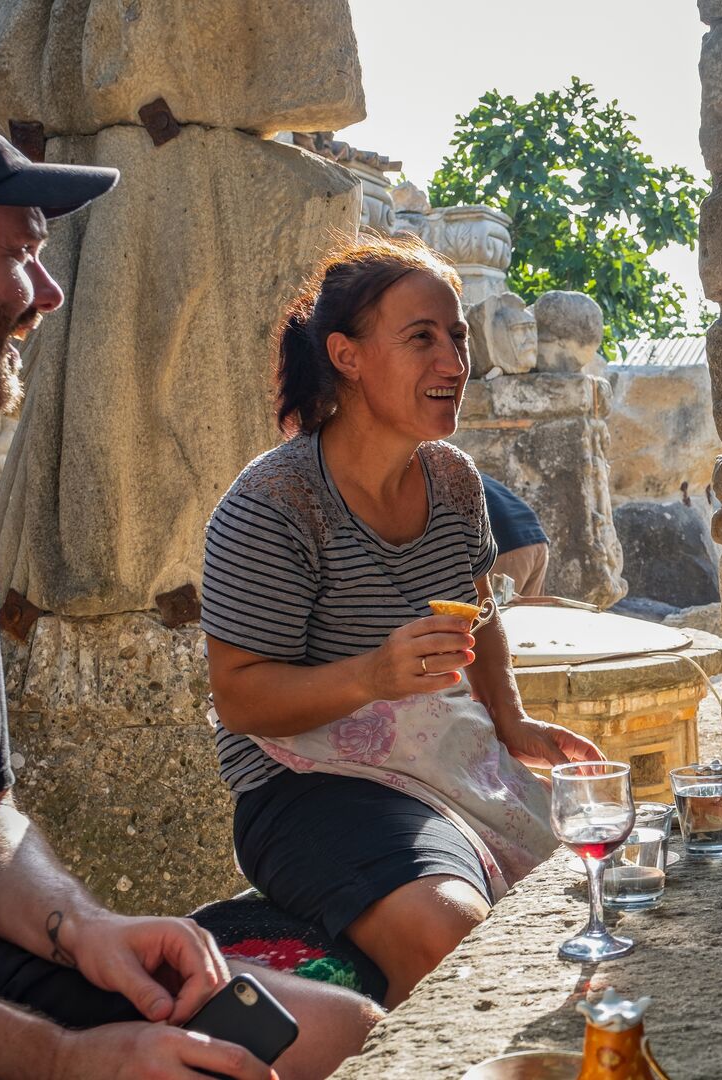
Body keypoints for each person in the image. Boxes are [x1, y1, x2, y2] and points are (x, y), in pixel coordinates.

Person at [0, 94, 377, 1080]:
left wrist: (84, 929)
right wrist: (60, 1058)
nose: (48, 292)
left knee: (341, 1034)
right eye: (20, 250)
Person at [201, 236, 604, 1008]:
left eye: (456, 336)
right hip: (305, 787)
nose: (454, 361)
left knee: (598, 886)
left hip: (444, 755)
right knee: (450, 931)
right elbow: (240, 699)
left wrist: (512, 719)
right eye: (421, 338)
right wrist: (372, 675)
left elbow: (479, 613)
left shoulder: (453, 482)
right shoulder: (273, 505)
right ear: (346, 356)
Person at [482, 474, 549, 596]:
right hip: (537, 541)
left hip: (510, 546)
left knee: (493, 610)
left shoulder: (444, 479)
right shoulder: (471, 471)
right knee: (526, 612)